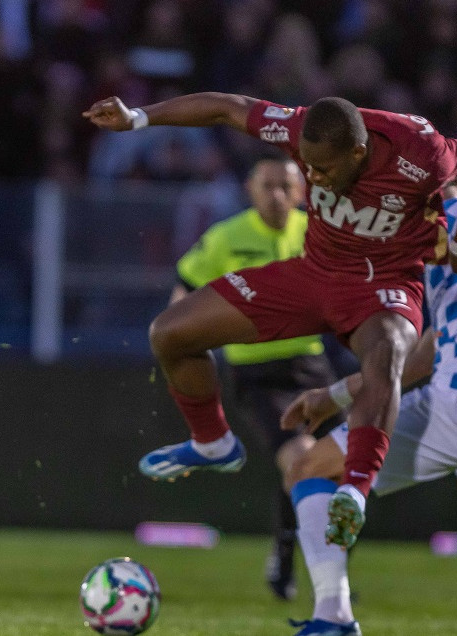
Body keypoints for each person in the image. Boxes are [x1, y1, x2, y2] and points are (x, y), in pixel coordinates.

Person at [83, 93, 457, 547]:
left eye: (323, 170)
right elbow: (225, 106)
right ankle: (212, 442)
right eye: (308, 167)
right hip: (314, 273)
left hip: (384, 283)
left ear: (358, 153)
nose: (312, 178)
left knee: (388, 353)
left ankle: (354, 490)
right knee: (170, 332)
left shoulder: (421, 151)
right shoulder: (300, 128)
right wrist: (139, 116)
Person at [279, 187, 457, 636]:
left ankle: (332, 616)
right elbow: (421, 358)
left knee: (308, 467)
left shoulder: (451, 214)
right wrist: (335, 395)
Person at [169, 151, 339, 601]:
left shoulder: (318, 235)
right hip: (256, 371)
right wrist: (179, 343)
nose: (278, 195)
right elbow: (185, 291)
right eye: (268, 186)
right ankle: (309, 572)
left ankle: (307, 568)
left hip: (312, 365)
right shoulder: (227, 237)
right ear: (250, 191)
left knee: (332, 471)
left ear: (302, 193)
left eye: (286, 186)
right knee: (303, 460)